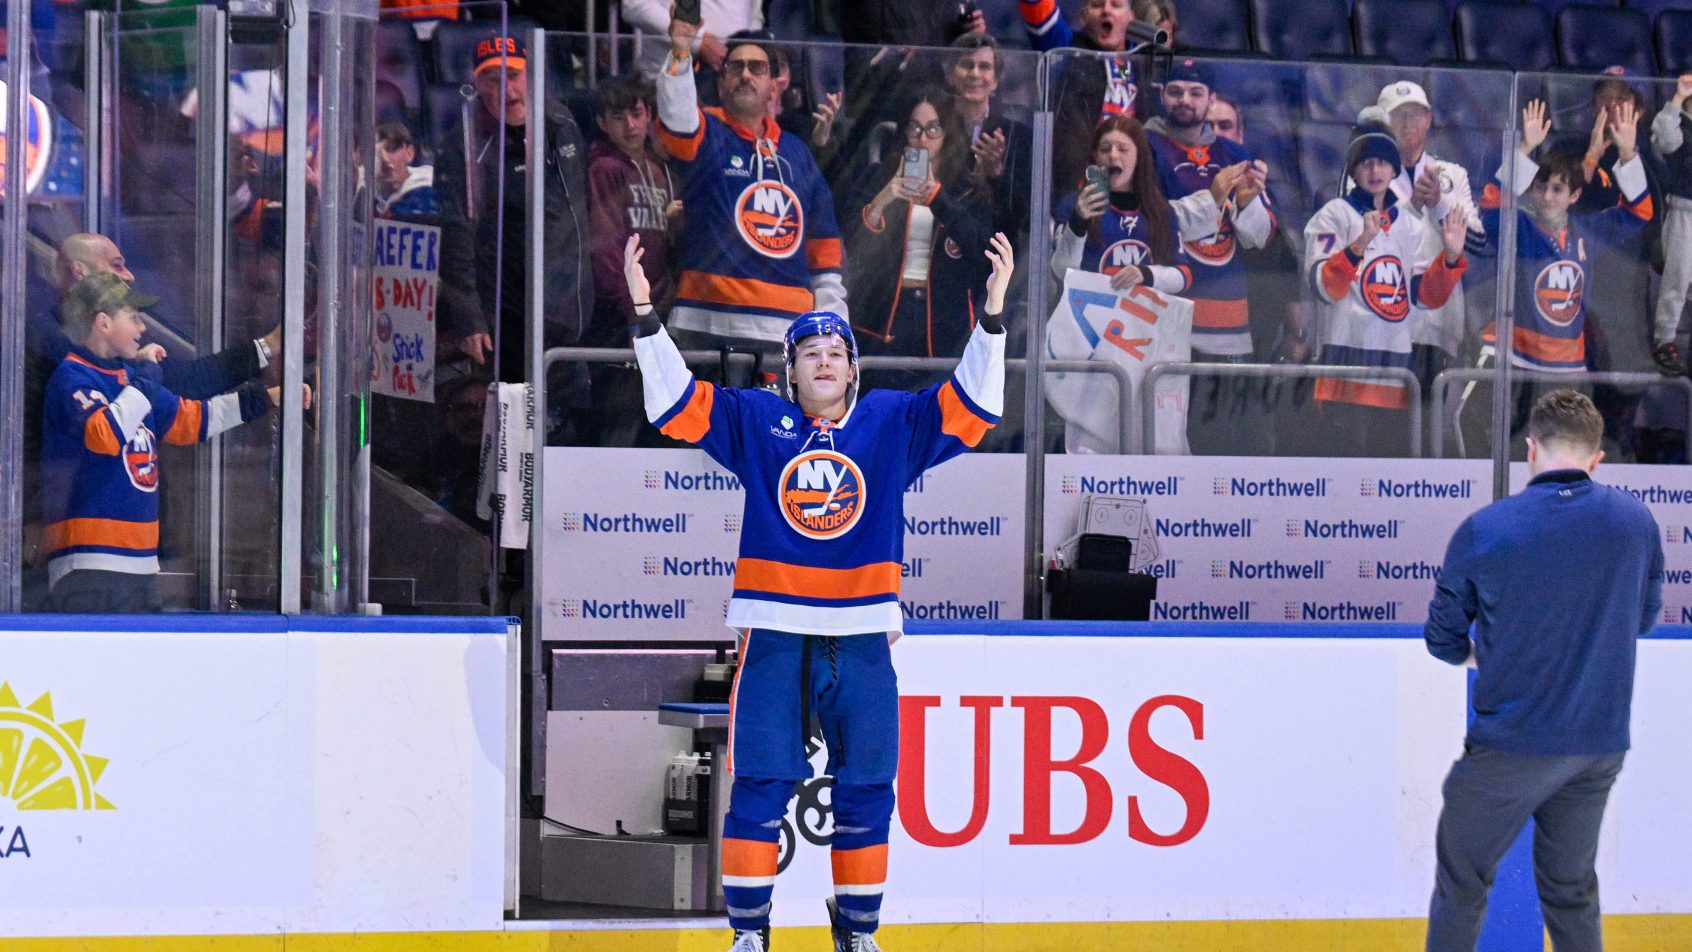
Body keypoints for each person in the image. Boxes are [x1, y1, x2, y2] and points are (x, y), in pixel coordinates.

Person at [623, 228, 1014, 952]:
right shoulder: (756, 422)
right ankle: (749, 934)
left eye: (837, 354)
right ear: (790, 373)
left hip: (862, 637)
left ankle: (857, 931)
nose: (826, 362)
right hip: (774, 637)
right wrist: (647, 316)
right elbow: (675, 405)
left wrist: (991, 314)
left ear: (853, 371)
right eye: (811, 354)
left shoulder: (890, 423)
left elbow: (971, 409)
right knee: (760, 787)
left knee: (867, 786)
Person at [1423, 388, 1662, 952]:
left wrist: (1487, 653)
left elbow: (1442, 640)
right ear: (1596, 457)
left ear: (1530, 449)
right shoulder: (1636, 522)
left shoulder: (1487, 528)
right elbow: (1641, 621)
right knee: (1571, 887)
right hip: (1597, 744)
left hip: (1513, 741)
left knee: (1462, 883)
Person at [39, 273, 301, 612]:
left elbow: (192, 420)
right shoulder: (72, 378)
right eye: (133, 317)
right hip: (88, 564)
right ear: (103, 323)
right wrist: (148, 372)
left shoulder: (129, 379)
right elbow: (105, 435)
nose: (142, 328)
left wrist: (264, 400)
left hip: (141, 564)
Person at [656, 15, 847, 349]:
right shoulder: (704, 132)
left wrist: (833, 334)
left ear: (774, 85)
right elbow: (676, 115)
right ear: (720, 84)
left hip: (786, 331)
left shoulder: (797, 153)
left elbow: (825, 253)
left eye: (757, 68)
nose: (745, 74)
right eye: (735, 67)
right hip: (705, 323)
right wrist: (681, 52)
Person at [434, 32, 591, 395]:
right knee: (512, 412)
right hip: (500, 305)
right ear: (477, 85)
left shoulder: (559, 125)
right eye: (493, 78)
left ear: (530, 78)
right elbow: (455, 235)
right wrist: (469, 316)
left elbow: (578, 221)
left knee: (568, 418)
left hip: (561, 303)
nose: (507, 89)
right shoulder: (463, 142)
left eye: (514, 75)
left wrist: (580, 305)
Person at [1303, 120, 1468, 457]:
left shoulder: (1409, 222)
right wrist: (1360, 242)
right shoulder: (1334, 215)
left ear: (1394, 168)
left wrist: (1450, 258)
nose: (1374, 170)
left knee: (1387, 478)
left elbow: (1423, 296)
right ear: (1352, 170)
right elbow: (1323, 287)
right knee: (1341, 477)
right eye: (1365, 162)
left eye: (1382, 161)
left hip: (1394, 375)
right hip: (1343, 370)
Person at [1143, 58, 1275, 454]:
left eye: (1195, 92)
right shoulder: (1145, 147)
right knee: (1165, 441)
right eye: (1176, 91)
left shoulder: (1235, 152)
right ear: (1161, 95)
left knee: (1221, 445)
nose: (1185, 100)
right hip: (1167, 321)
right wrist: (1213, 197)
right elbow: (1152, 225)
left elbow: (1259, 238)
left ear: (1211, 99)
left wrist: (1248, 206)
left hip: (1228, 325)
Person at [846, 90, 992, 362]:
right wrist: (883, 199)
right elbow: (852, 247)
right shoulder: (879, 177)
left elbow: (981, 251)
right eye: (915, 128)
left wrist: (938, 199)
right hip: (885, 315)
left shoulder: (967, 189)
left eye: (932, 129)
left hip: (943, 319)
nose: (922, 138)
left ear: (947, 133)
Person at [1368, 81, 1481, 397]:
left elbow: (1477, 244)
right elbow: (1361, 236)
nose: (1407, 123)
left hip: (1436, 321)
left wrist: (1439, 204)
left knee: (1427, 425)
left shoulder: (1452, 174)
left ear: (1429, 119)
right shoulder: (1365, 172)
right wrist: (1412, 206)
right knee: (1383, 426)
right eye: (1398, 115)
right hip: (1383, 316)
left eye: (1415, 114)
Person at [1021, 0, 1146, 192]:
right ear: (1083, 18)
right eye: (1097, 5)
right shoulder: (1068, 47)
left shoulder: (1142, 59)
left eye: (1116, 5)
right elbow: (1036, 8)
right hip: (1078, 178)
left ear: (1132, 18)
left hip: (1130, 178)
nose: (1106, 10)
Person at [1649, 73, 1692, 374]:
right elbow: (1665, 138)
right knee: (1677, 277)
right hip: (1684, 211)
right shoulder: (1681, 125)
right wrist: (1677, 99)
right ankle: (1664, 340)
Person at [621, 0, 764, 80]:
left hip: (736, 78)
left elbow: (754, 14)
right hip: (670, 76)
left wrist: (748, 50)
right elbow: (634, 5)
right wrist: (699, 41)